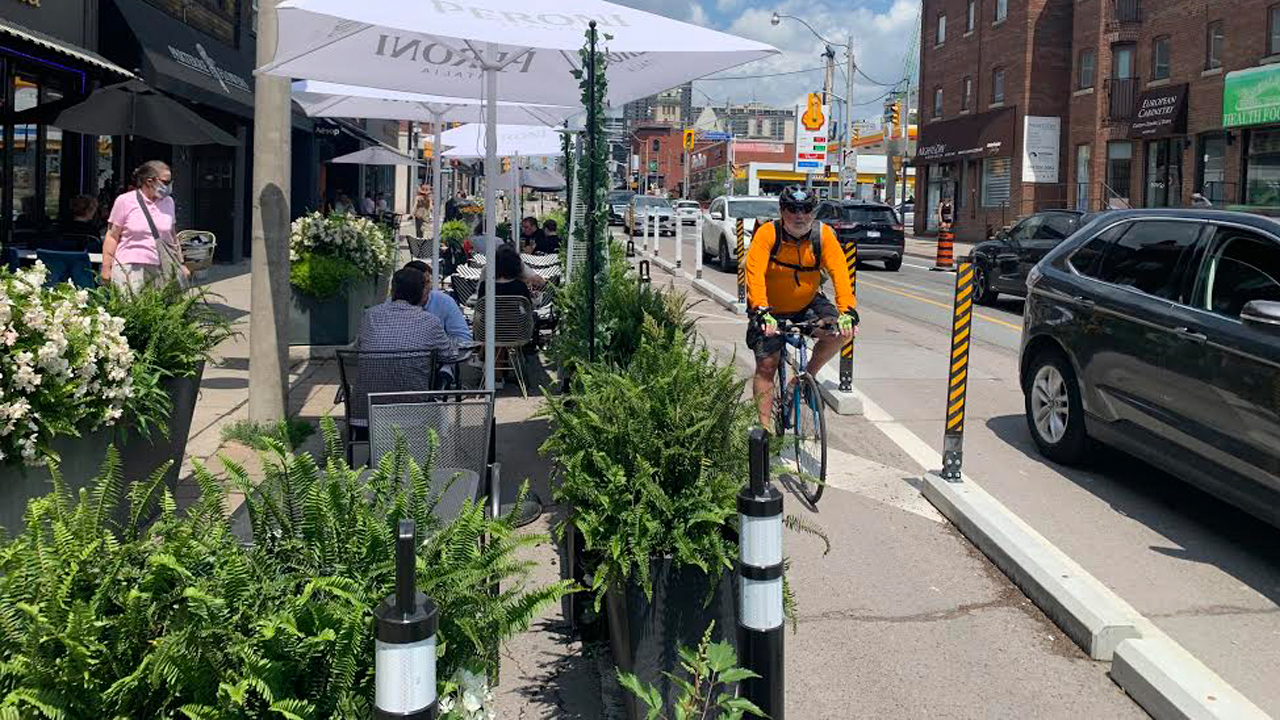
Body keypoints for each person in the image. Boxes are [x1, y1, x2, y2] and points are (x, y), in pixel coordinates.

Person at [744, 185, 857, 430]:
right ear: (782, 211)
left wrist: (847, 310)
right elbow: (754, 273)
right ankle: (763, 432)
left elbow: (840, 272)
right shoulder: (767, 233)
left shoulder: (823, 235)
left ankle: (805, 379)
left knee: (841, 333)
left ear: (813, 212)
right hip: (769, 309)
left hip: (806, 303)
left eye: (806, 209)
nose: (799, 215)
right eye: (792, 209)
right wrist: (762, 309)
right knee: (767, 365)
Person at [357, 268, 460, 391]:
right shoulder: (430, 321)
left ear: (393, 291)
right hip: (413, 405)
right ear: (422, 293)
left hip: (367, 404)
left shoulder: (369, 316)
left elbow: (358, 349)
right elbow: (448, 356)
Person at [101, 160, 189, 292]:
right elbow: (112, 236)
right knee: (130, 309)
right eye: (165, 182)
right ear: (149, 181)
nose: (169, 185)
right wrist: (106, 267)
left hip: (162, 265)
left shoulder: (168, 202)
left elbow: (171, 235)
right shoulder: (125, 201)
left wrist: (181, 263)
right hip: (130, 266)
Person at [403, 260, 471, 342]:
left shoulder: (444, 301)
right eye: (419, 283)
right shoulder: (393, 305)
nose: (425, 287)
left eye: (427, 282)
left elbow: (463, 338)